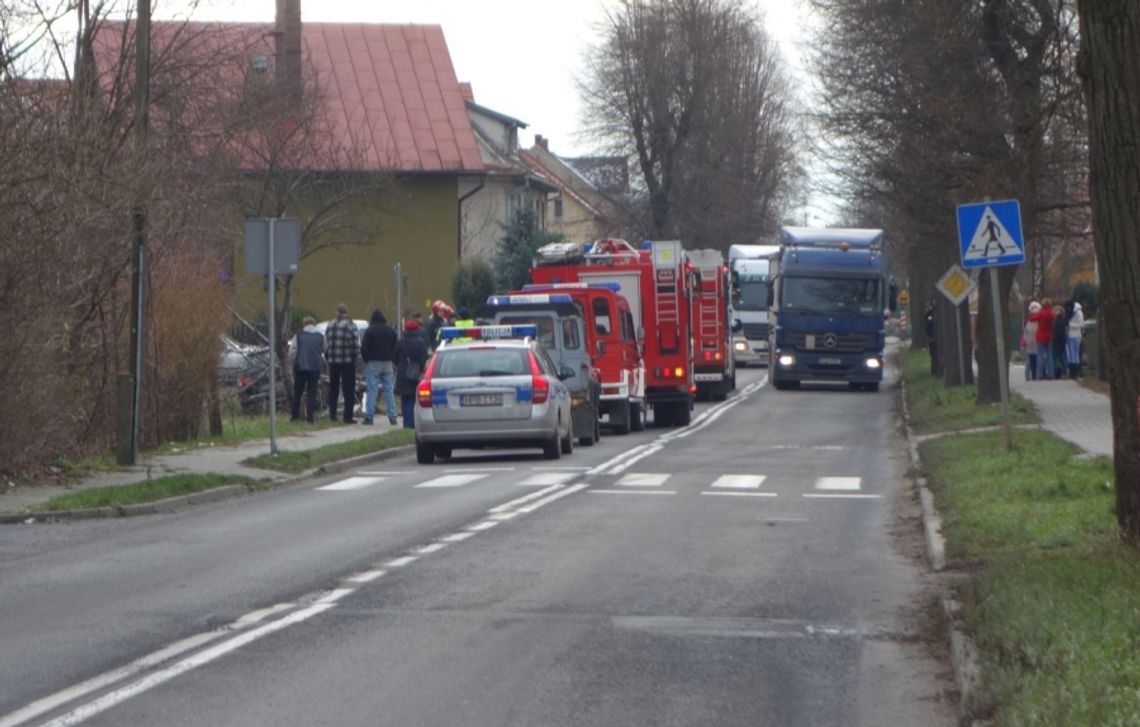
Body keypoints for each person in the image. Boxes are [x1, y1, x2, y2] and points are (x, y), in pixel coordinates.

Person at [360, 309, 398, 426]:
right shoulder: (391, 330)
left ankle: (369, 417)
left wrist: (367, 359)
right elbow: (395, 346)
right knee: (389, 389)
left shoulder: (370, 331)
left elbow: (364, 348)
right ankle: (392, 417)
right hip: (387, 363)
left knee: (372, 389)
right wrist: (391, 357)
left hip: (373, 362)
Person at [325, 303, 361, 422]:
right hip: (347, 362)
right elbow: (356, 345)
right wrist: (354, 358)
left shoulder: (330, 325)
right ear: (346, 312)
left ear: (337, 312)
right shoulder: (351, 326)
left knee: (333, 389)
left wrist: (329, 355)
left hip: (333, 362)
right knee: (348, 389)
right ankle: (347, 416)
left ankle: (333, 415)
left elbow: (326, 344)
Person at [395, 318, 429, 429]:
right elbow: (423, 359)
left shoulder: (400, 341)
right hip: (414, 374)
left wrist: (400, 365)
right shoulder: (420, 342)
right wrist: (418, 367)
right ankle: (410, 424)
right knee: (412, 399)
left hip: (402, 373)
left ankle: (406, 423)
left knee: (404, 399)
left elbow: (394, 357)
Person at [290, 316, 325, 423]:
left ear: (304, 324)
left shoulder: (298, 335)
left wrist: (293, 362)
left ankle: (295, 417)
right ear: (314, 324)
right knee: (312, 392)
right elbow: (324, 348)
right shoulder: (320, 336)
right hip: (315, 367)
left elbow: (292, 351)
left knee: (298, 392)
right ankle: (310, 418)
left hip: (301, 366)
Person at [1029, 297, 1055, 380]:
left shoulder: (1041, 313)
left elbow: (1031, 319)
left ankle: (1039, 374)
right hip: (1049, 335)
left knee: (1040, 355)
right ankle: (1051, 374)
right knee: (1049, 355)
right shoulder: (1052, 313)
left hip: (1040, 336)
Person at [1066, 300, 1084, 379]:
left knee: (1075, 354)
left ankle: (1075, 372)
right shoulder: (1071, 313)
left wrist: (1070, 325)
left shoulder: (1078, 313)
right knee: (1070, 355)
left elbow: (1081, 324)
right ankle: (1071, 371)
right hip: (1070, 335)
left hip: (1076, 336)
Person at [1023, 301, 1040, 381]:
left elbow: (1025, 332)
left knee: (1030, 359)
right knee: (1036, 358)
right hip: (1037, 341)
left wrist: (1026, 340)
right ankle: (1035, 374)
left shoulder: (1029, 321)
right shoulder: (1039, 321)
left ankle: (1029, 375)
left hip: (1029, 341)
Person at [1051, 304, 1067, 378]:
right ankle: (1063, 372)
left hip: (1057, 342)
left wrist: (1054, 337)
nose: (1054, 312)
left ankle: (1058, 373)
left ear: (1060, 311)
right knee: (1061, 358)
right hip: (1061, 342)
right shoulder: (1060, 319)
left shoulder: (1059, 320)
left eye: (1056, 310)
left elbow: (1059, 331)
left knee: (1057, 358)